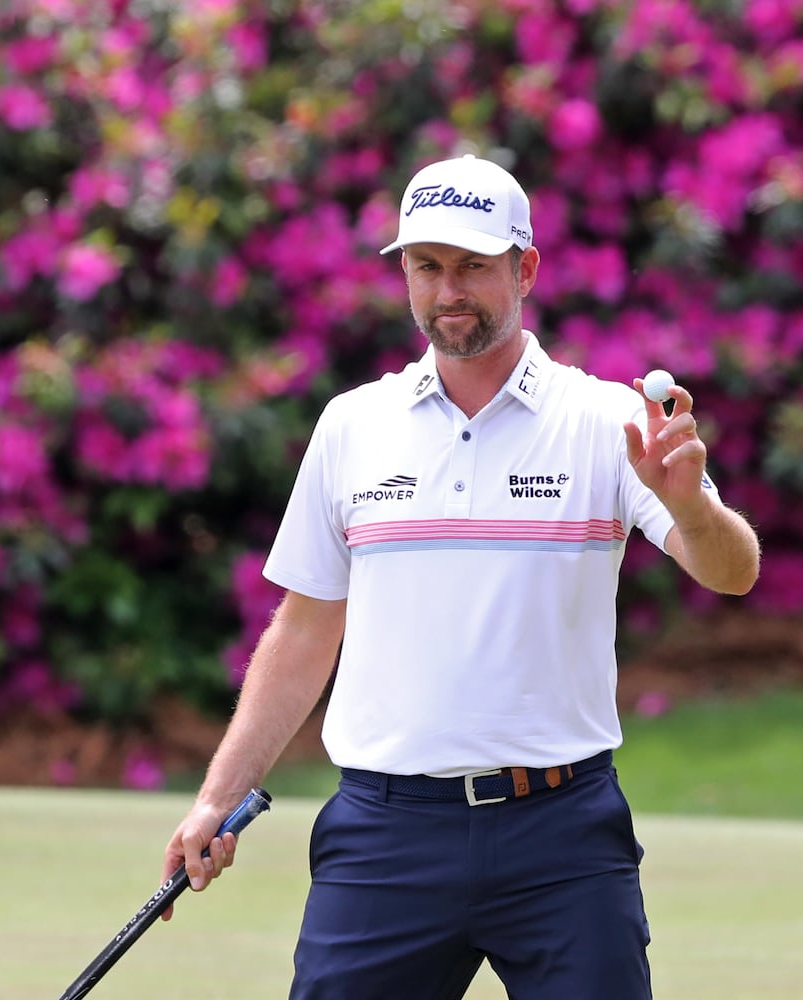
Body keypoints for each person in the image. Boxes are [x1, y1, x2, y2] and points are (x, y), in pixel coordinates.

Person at [162, 152, 761, 998]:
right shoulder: (352, 426)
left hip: (562, 837)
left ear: (525, 269)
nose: (449, 291)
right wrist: (217, 797)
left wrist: (693, 510)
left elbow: (732, 571)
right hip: (384, 835)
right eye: (426, 266)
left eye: (474, 267)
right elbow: (303, 628)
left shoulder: (609, 422)